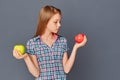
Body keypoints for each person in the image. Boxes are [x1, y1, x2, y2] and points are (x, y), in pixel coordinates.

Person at [13, 5, 87, 80]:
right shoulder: (32, 43)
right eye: (55, 22)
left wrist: (75, 47)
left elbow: (66, 70)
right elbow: (36, 73)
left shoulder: (62, 41)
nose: (59, 25)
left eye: (59, 21)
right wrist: (26, 57)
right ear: (45, 22)